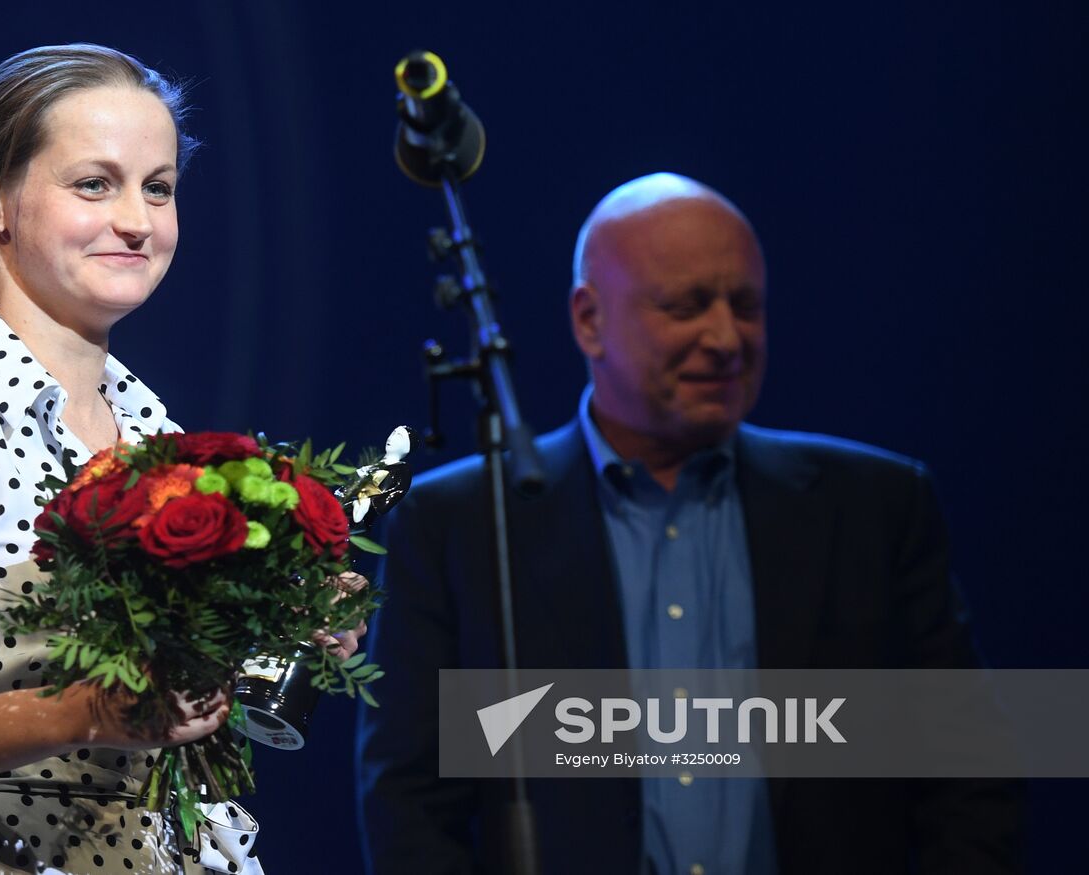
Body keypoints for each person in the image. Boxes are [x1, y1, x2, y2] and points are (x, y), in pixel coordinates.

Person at [0, 44, 361, 875]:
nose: (138, 219)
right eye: (95, 183)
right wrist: (84, 711)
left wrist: (275, 635)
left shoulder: (154, 430)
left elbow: (164, 724)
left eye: (157, 188)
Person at [354, 173, 1023, 874]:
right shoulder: (458, 526)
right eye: (686, 305)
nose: (726, 337)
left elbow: (971, 773)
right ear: (590, 320)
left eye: (747, 305)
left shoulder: (877, 506)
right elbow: (410, 808)